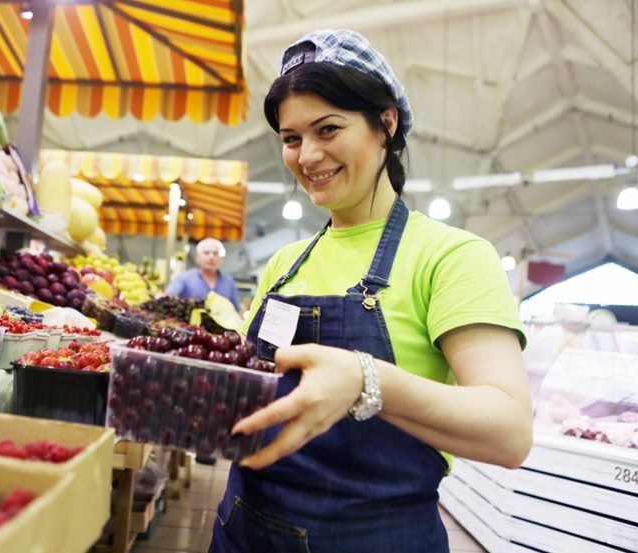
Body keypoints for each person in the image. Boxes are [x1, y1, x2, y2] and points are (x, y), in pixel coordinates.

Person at [209, 30, 533, 552]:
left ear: (386, 122)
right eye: (291, 138)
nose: (307, 156)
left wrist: (365, 378)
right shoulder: (285, 265)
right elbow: (251, 394)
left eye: (328, 129)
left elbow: (510, 432)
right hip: (242, 530)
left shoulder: (451, 256)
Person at [166, 238, 241, 312]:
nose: (211, 257)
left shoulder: (229, 281)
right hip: (191, 323)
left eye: (215, 253)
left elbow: (236, 310)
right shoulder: (184, 278)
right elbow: (168, 295)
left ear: (221, 259)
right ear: (197, 257)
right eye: (206, 253)